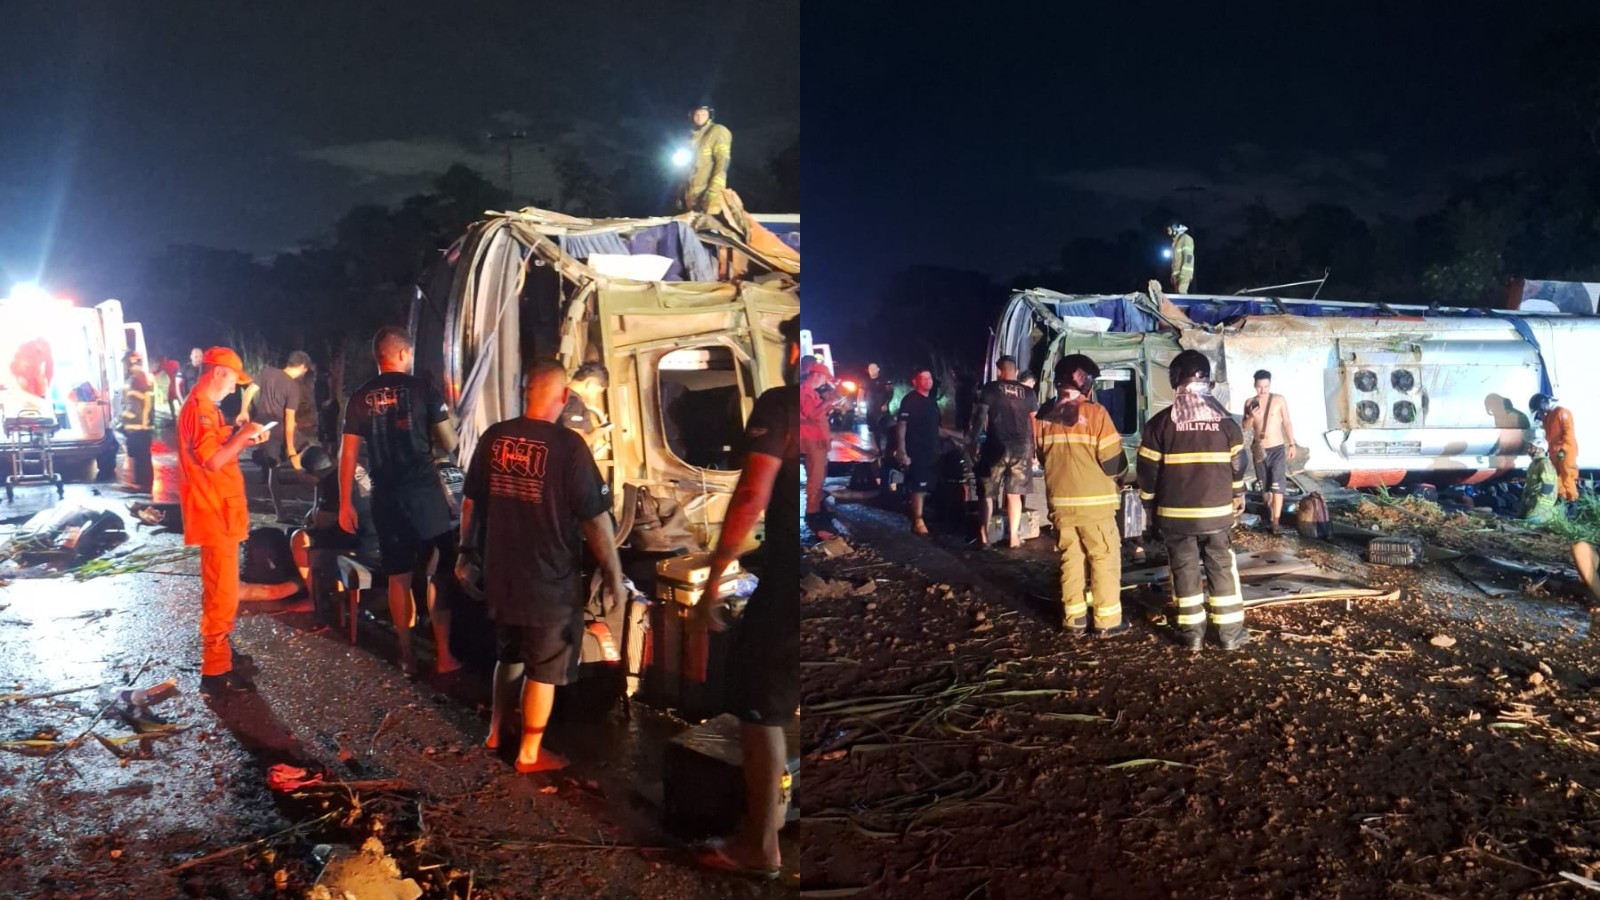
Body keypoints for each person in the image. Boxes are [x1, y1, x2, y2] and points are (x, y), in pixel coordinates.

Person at [455, 358, 624, 773]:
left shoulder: (495, 437)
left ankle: (494, 734)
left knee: (508, 655)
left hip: (501, 574)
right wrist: (614, 574)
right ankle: (530, 753)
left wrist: (465, 551)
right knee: (543, 669)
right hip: (549, 580)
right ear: (564, 396)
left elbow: (471, 500)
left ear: (524, 389)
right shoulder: (569, 447)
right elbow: (595, 520)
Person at [692, 317, 801, 881]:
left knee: (761, 706)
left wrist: (715, 577)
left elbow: (751, 494)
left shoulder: (782, 404)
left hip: (789, 581)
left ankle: (761, 846)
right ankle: (780, 820)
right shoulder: (827, 411)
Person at [340, 327, 463, 676]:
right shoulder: (423, 389)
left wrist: (348, 504)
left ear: (378, 357)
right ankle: (443, 656)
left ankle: (406, 656)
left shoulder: (360, 396)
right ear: (403, 354)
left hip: (385, 498)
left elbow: (347, 453)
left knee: (398, 577)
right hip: (425, 497)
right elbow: (450, 443)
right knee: (438, 575)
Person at [1137, 350, 1250, 652]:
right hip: (1217, 514)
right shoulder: (1228, 424)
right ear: (1209, 382)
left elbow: (1147, 471)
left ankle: (1193, 634)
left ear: (1174, 380)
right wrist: (1238, 492)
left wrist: (1147, 502)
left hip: (1175, 516)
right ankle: (1229, 634)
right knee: (1221, 566)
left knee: (1184, 569)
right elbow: (1239, 463)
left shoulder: (1160, 423)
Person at [177, 347, 270, 694]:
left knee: (222, 590)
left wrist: (239, 434)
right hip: (214, 512)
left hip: (220, 512)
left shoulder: (206, 410)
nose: (234, 389)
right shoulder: (199, 409)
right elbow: (213, 462)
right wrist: (244, 436)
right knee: (222, 593)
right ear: (218, 373)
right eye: (233, 380)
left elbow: (218, 449)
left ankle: (223, 654)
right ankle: (215, 671)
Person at [1035, 355, 1128, 636]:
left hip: (1061, 505)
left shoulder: (1043, 417)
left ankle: (1073, 619)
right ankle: (1107, 620)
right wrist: (1122, 477)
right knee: (1103, 557)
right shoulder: (1097, 413)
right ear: (1085, 382)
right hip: (1095, 506)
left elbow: (1042, 457)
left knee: (1070, 557)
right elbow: (1114, 464)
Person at [968, 355, 1037, 549]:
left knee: (987, 492)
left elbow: (980, 416)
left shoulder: (991, 388)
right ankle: (1014, 538)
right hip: (1021, 449)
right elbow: (1035, 421)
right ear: (1015, 371)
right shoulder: (1028, 392)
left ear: (999, 371)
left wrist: (973, 440)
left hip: (995, 447)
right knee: (1014, 494)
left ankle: (984, 537)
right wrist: (1036, 448)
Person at [1243, 369, 1298, 533]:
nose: (1263, 390)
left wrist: (1292, 443)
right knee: (1265, 490)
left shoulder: (1279, 400)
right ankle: (1270, 511)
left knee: (1278, 487)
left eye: (1266, 386)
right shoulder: (1249, 402)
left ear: (1270, 385)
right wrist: (1251, 416)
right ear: (1255, 385)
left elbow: (1287, 422)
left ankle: (1276, 523)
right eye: (1260, 387)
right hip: (1259, 449)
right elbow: (1245, 427)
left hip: (1277, 448)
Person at [895, 368, 941, 536]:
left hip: (932, 449)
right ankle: (918, 520)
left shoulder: (931, 402)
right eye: (924, 378)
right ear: (915, 381)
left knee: (929, 483)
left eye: (930, 378)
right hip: (917, 450)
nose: (928, 381)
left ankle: (925, 514)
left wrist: (957, 437)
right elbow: (902, 425)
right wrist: (901, 449)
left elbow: (936, 428)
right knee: (918, 486)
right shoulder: (910, 401)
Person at [801, 357, 843, 540]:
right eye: (825, 378)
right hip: (813, 441)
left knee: (819, 477)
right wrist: (829, 402)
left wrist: (829, 406)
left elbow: (817, 413)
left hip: (819, 440)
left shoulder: (813, 393)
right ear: (817, 375)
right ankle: (813, 515)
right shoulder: (804, 392)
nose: (826, 382)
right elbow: (811, 414)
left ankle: (817, 509)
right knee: (815, 478)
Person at [683, 104, 732, 215]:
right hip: (691, 195)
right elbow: (685, 168)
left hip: (709, 192)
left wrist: (714, 189)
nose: (700, 118)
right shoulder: (690, 137)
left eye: (703, 114)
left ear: (710, 116)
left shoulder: (717, 131)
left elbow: (722, 162)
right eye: (697, 114)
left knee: (709, 226)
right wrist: (681, 192)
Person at [1531, 393, 1580, 502]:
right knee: (1556, 477)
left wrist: (1563, 450)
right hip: (1554, 451)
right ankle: (1562, 500)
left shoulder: (1562, 412)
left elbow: (1568, 434)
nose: (1540, 411)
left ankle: (1572, 501)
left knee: (1567, 476)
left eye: (1540, 409)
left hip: (1565, 451)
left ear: (1544, 403)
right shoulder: (1548, 415)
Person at [561, 361, 612, 459]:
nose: (596, 397)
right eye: (597, 392)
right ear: (590, 384)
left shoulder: (564, 393)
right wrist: (599, 432)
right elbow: (576, 445)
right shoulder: (574, 403)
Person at [121, 365, 155, 491]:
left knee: (135, 455)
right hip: (146, 428)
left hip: (135, 427)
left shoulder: (134, 388)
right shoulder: (148, 386)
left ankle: (138, 483)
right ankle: (146, 483)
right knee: (144, 457)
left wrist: (121, 419)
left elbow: (131, 408)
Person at [1521, 439, 1561, 525]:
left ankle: (1551, 515)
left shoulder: (1545, 463)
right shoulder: (1533, 464)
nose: (1528, 449)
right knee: (1521, 517)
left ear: (1540, 449)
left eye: (1531, 447)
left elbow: (1547, 488)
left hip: (1543, 500)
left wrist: (1538, 505)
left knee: (1530, 520)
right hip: (1533, 498)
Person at [1168, 223, 1195, 293]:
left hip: (1183, 275)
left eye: (1169, 230)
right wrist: (1173, 275)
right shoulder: (1175, 243)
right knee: (1178, 294)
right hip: (1177, 276)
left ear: (1175, 229)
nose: (1168, 233)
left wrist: (1184, 273)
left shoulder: (1185, 238)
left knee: (1181, 291)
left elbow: (1189, 257)